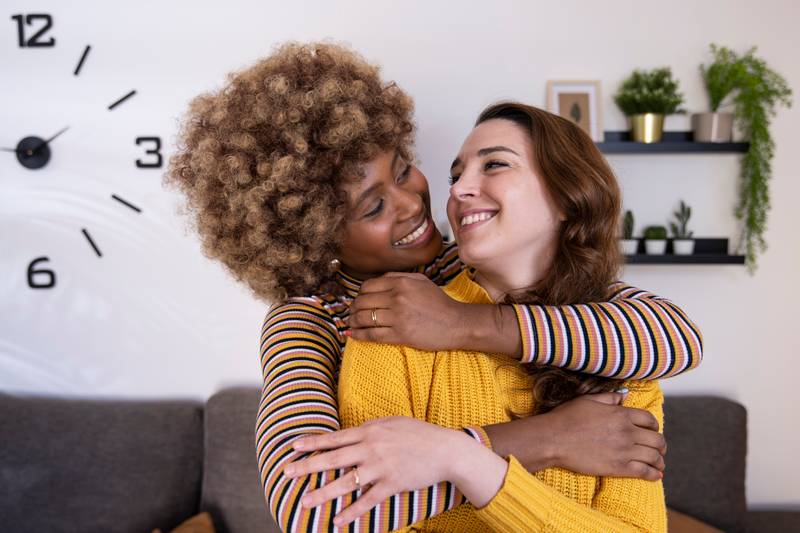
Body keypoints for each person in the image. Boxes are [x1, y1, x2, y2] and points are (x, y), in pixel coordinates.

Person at [163, 42, 701, 532]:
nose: (413, 203)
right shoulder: (315, 320)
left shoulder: (472, 262)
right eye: (373, 206)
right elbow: (314, 508)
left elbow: (676, 339)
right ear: (310, 235)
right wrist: (545, 440)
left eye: (404, 171)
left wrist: (467, 323)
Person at [288, 102, 671, 532]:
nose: (456, 190)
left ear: (568, 196)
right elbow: (324, 513)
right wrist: (500, 450)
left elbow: (679, 338)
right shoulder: (385, 328)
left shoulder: (615, 345)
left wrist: (459, 456)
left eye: (494, 165)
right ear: (321, 240)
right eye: (456, 175)